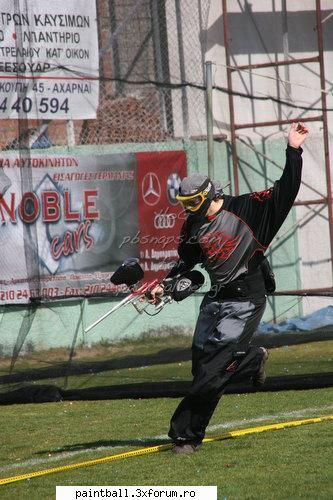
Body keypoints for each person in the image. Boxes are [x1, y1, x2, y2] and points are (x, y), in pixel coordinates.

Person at [150, 122, 309, 454]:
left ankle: (185, 436)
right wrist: (164, 287)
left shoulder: (249, 208)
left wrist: (293, 149)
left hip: (246, 298)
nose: (187, 208)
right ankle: (250, 361)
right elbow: (186, 263)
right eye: (183, 201)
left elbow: (286, 190)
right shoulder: (193, 224)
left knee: (212, 372)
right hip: (215, 299)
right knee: (202, 370)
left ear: (208, 195)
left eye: (192, 201)